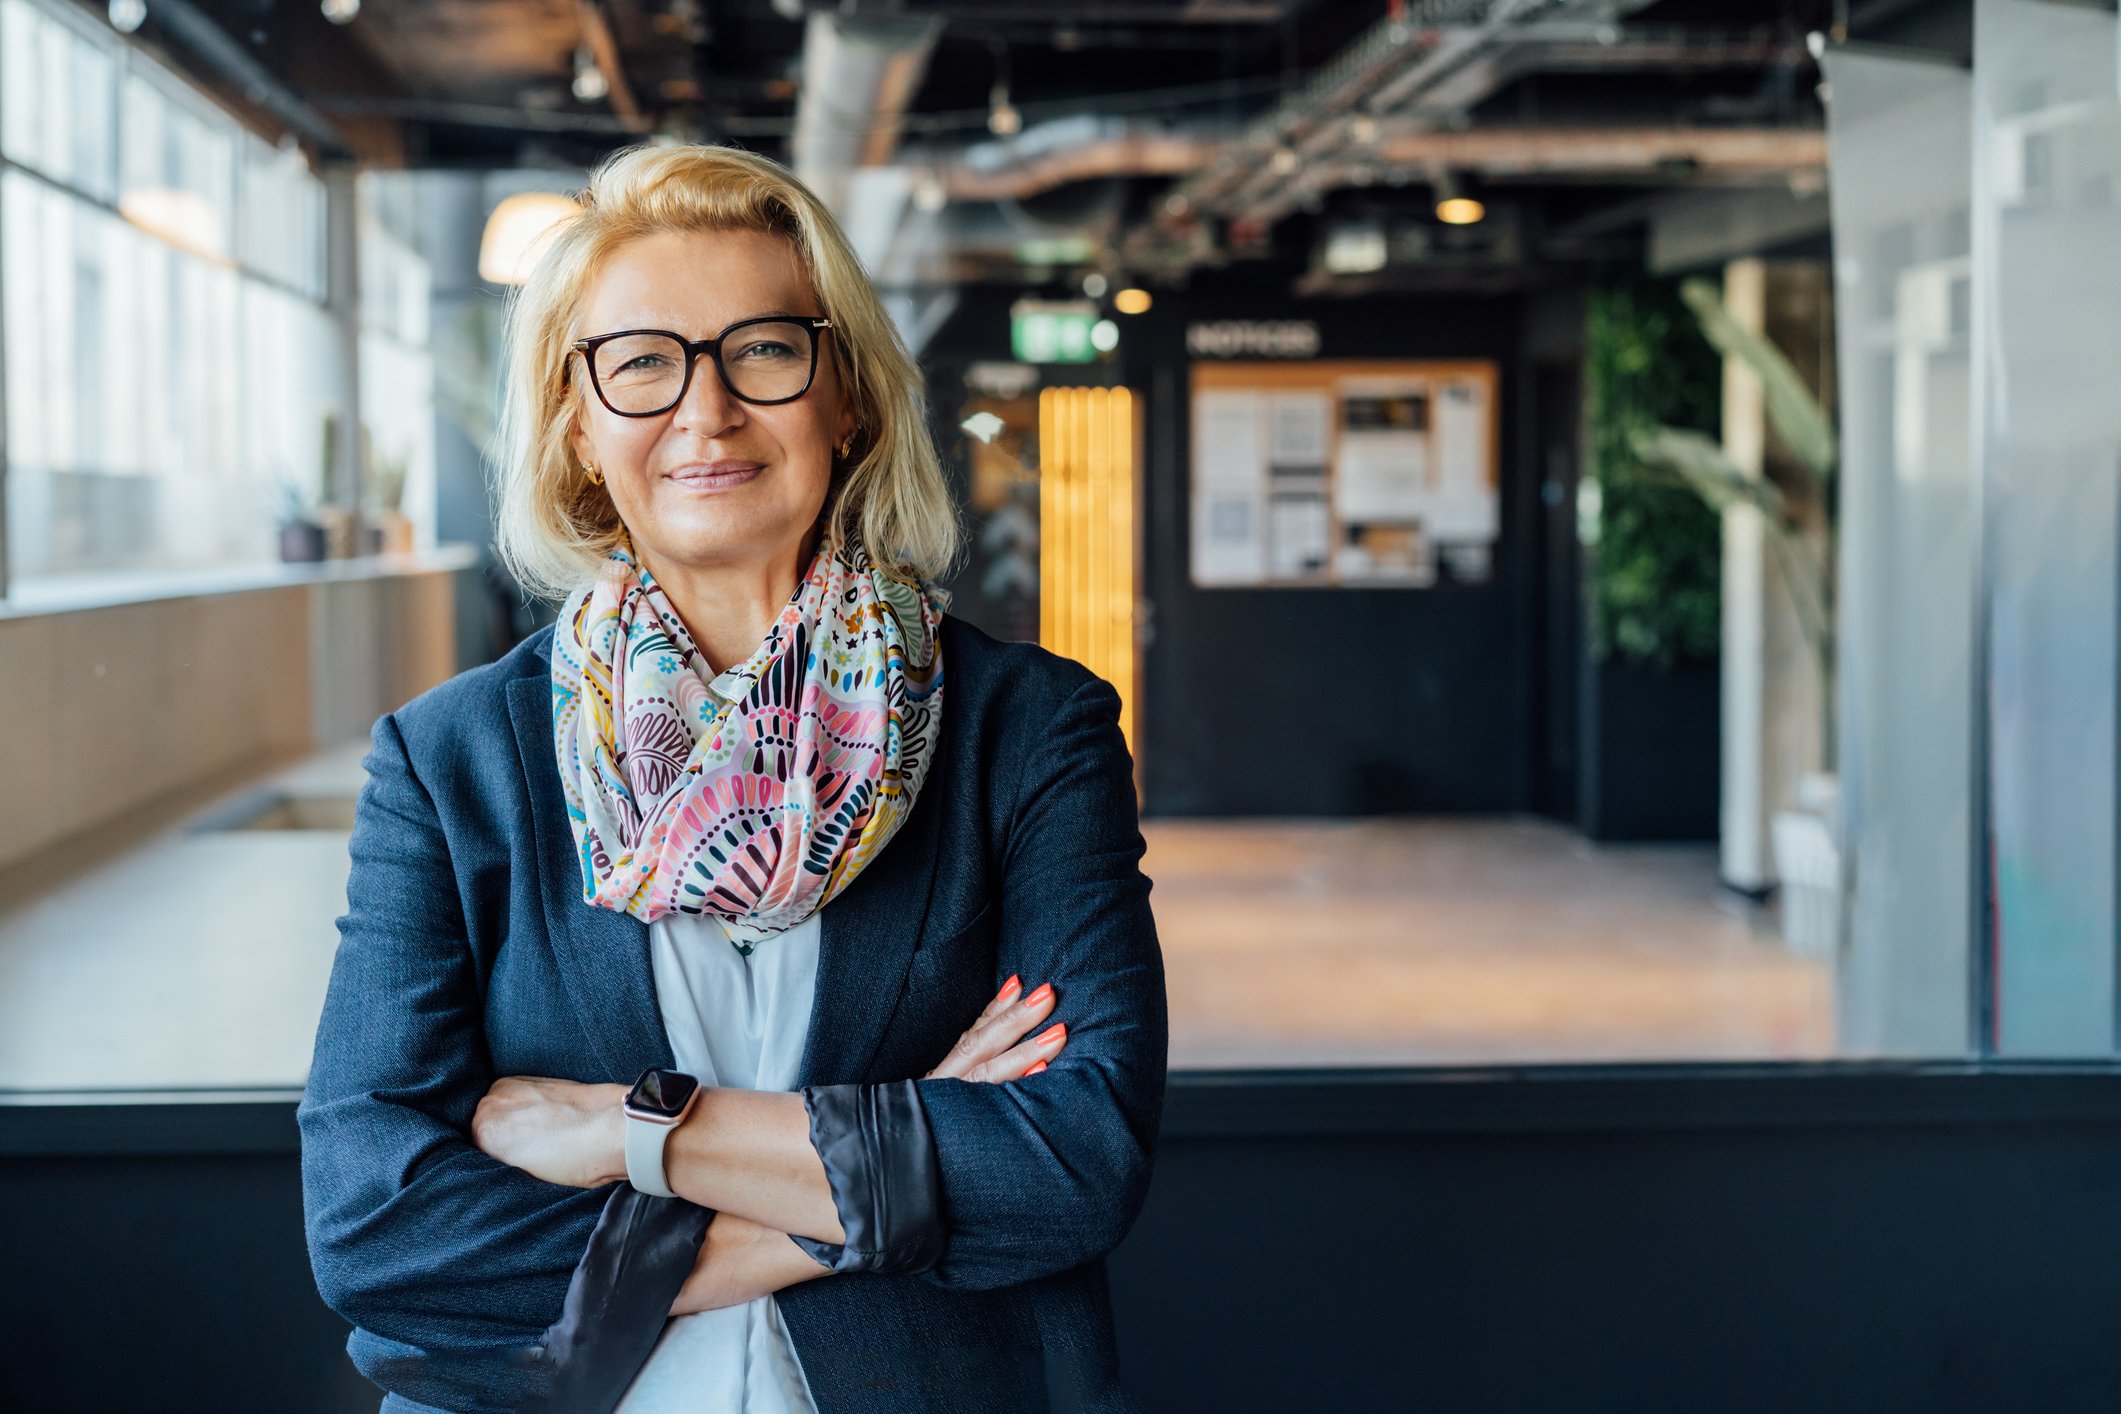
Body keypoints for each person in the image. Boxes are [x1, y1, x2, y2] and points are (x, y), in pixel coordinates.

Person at [296, 143, 1168, 1414]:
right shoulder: (452, 762)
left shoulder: (1028, 732)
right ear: (578, 428)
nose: (704, 412)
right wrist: (903, 1152)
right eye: (641, 362)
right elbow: (377, 1228)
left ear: (849, 397)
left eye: (762, 348)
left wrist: (629, 1133)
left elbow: (1075, 1161)